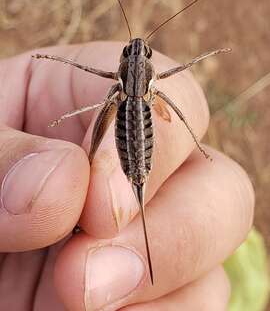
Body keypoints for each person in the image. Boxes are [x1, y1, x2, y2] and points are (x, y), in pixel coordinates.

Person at [0, 42, 254, 310]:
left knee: (173, 115)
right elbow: (181, 72)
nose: (134, 57)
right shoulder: (122, 85)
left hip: (134, 122)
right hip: (136, 124)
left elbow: (90, 81)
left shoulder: (122, 85)